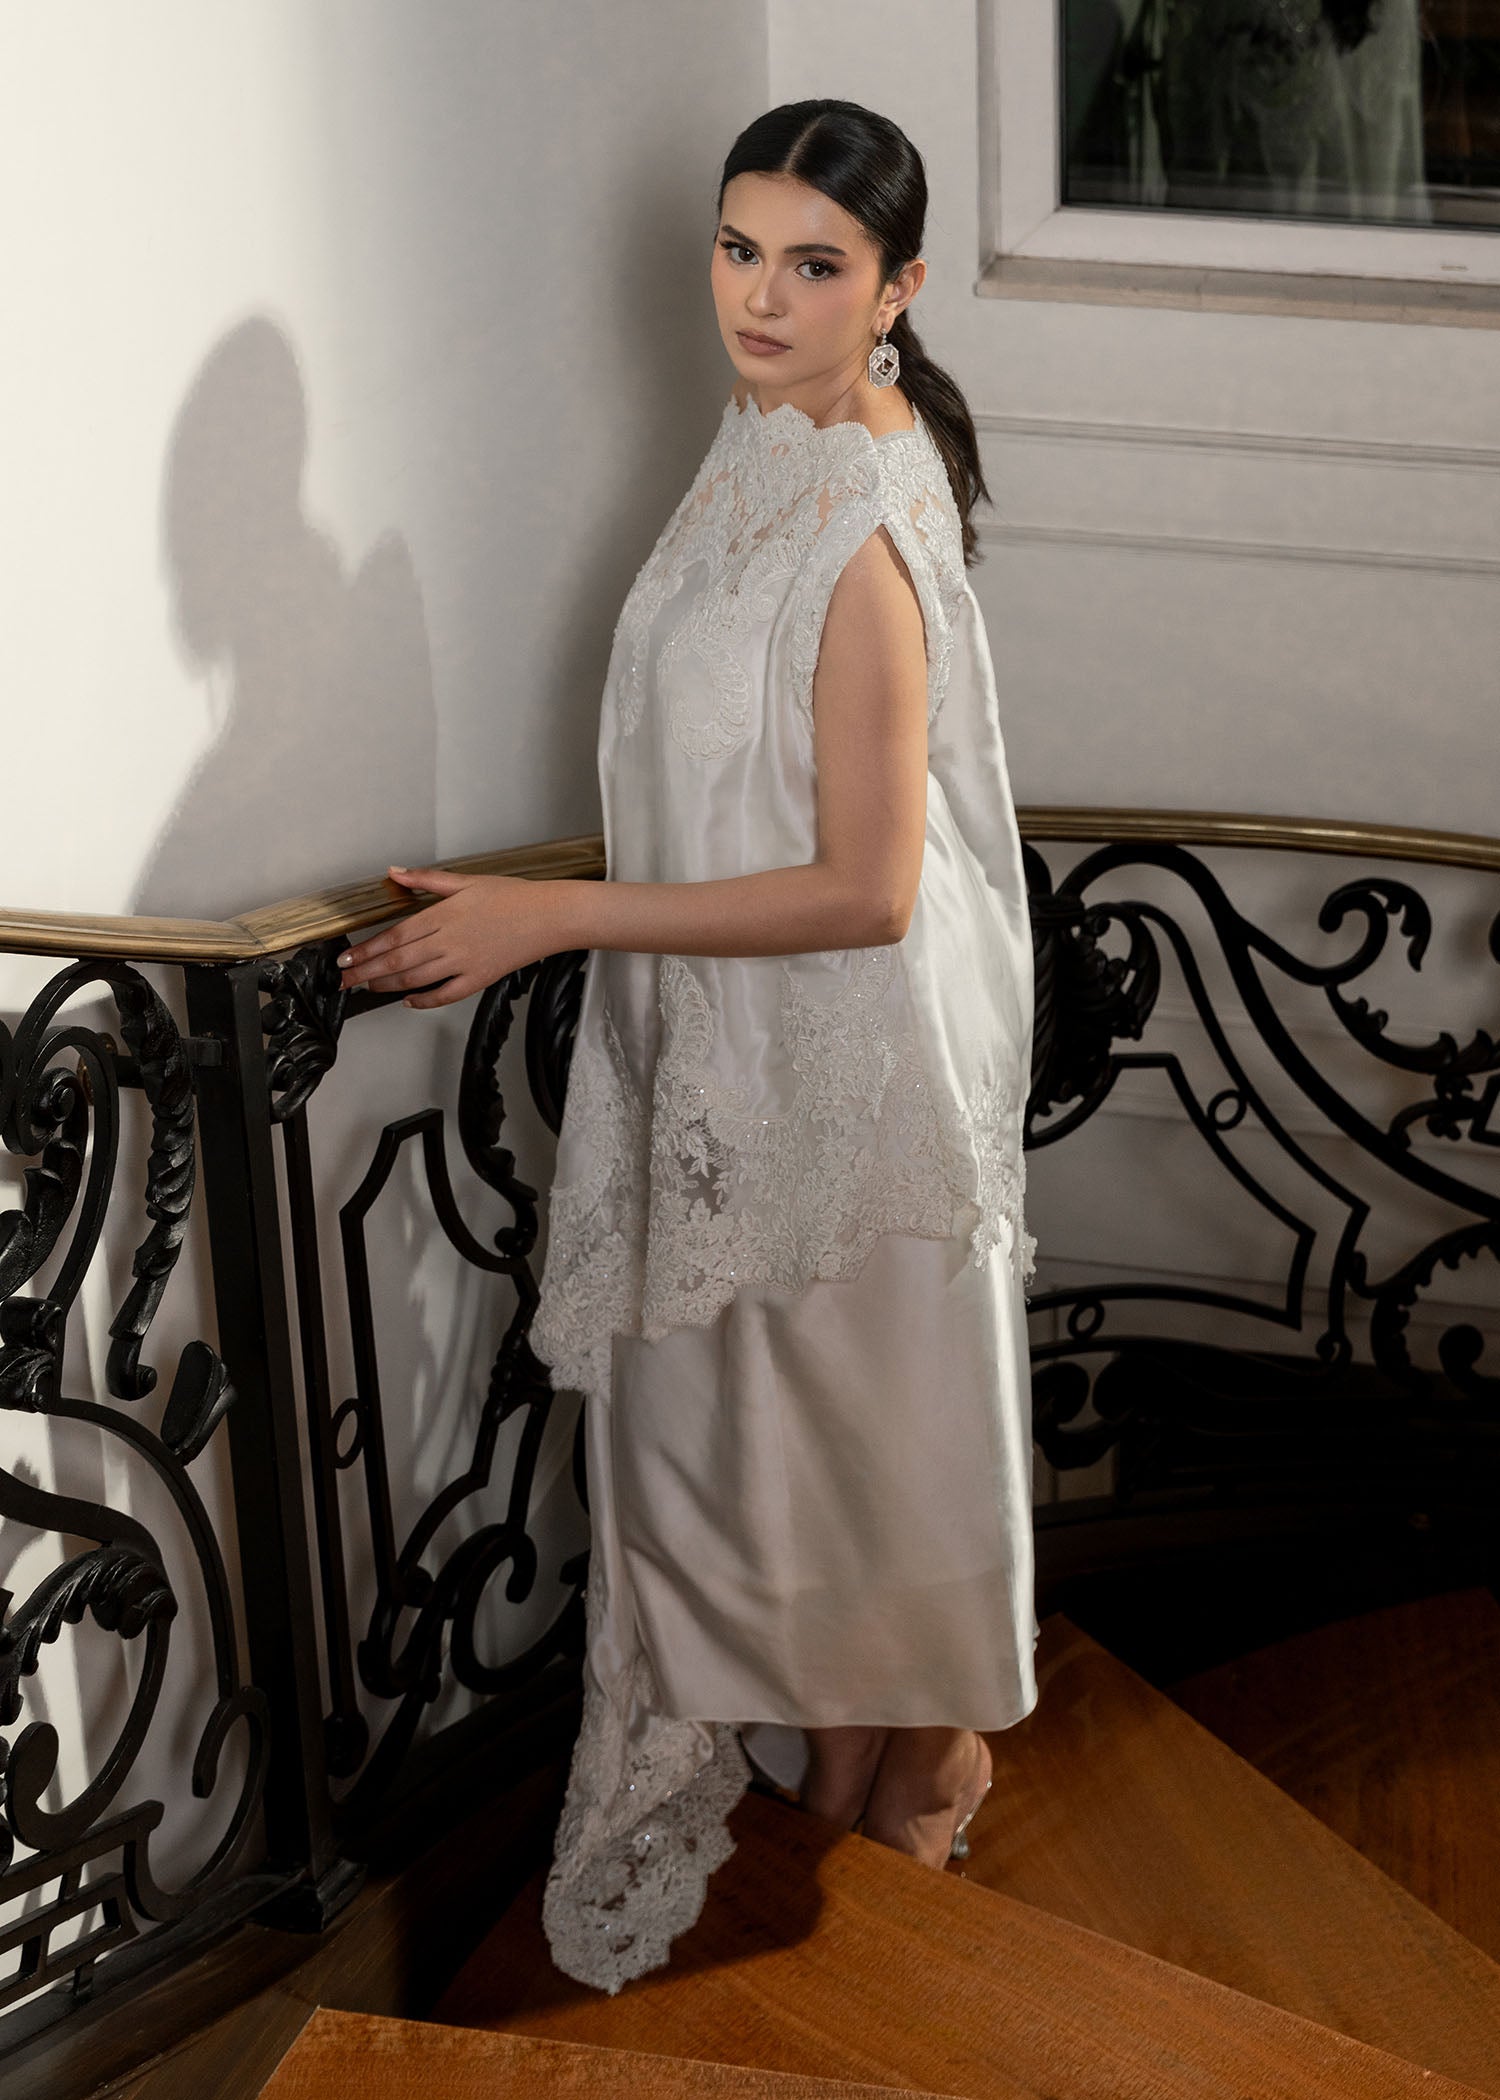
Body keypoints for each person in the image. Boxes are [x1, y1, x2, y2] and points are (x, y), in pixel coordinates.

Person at [336, 97, 1040, 1997]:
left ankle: (922, 1764)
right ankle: (869, 1761)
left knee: (858, 1441)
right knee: (778, 1443)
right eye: (740, 249)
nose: (760, 295)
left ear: (897, 287)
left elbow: (872, 890)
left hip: (851, 1065)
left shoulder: (865, 524)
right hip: (725, 1044)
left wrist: (550, 920)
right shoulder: (763, 438)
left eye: (815, 264)